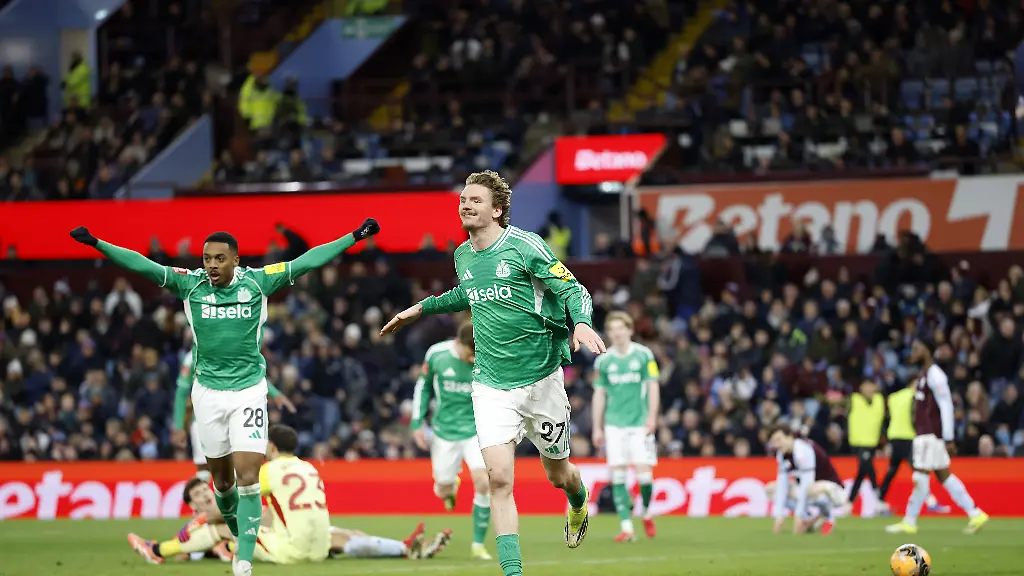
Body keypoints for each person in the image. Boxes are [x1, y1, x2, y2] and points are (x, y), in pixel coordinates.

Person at [70, 218, 380, 576]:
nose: (211, 265)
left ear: (235, 260)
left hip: (249, 391)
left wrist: (354, 238)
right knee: (222, 483)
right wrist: (98, 243)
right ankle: (237, 534)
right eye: (206, 259)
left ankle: (243, 559)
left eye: (219, 259)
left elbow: (309, 260)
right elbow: (143, 265)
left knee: (248, 474)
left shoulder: (259, 281)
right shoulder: (190, 285)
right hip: (208, 394)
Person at [381, 170, 606, 576]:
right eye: (463, 200)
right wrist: (418, 309)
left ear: (497, 210)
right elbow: (465, 294)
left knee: (559, 474)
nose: (466, 205)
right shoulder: (462, 255)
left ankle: (577, 499)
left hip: (542, 381)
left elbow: (570, 288)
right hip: (490, 385)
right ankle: (512, 572)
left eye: (475, 200)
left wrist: (582, 323)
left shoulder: (525, 246)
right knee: (499, 480)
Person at [886, 340, 990, 535]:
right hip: (928, 435)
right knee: (944, 476)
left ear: (928, 350)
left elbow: (946, 405)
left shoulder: (935, 374)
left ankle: (910, 521)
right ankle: (975, 513)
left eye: (917, 348)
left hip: (930, 435)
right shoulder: (924, 375)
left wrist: (949, 437)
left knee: (920, 475)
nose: (913, 352)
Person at [411, 321, 492, 560]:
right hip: (444, 432)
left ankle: (478, 545)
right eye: (470, 354)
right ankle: (450, 487)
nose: (472, 359)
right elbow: (423, 387)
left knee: (483, 482)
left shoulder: (485, 357)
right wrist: (417, 423)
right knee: (442, 489)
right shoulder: (437, 354)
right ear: (459, 343)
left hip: (476, 430)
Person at [590, 311, 661, 542]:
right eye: (613, 329)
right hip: (614, 425)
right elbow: (599, 395)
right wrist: (597, 427)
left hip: (639, 424)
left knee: (645, 477)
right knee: (618, 476)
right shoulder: (603, 360)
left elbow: (652, 387)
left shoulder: (644, 355)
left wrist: (652, 417)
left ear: (630, 330)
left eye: (621, 328)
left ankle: (647, 512)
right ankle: (627, 527)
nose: (617, 333)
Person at [767, 426, 849, 535]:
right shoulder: (782, 455)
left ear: (790, 437)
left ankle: (829, 519)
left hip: (835, 492)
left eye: (779, 440)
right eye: (774, 442)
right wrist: (778, 515)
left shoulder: (803, 449)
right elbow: (782, 485)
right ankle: (808, 518)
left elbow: (807, 484)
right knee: (771, 489)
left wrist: (798, 516)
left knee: (810, 489)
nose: (777, 445)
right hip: (812, 492)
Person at [846, 379, 884, 504]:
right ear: (861, 387)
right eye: (866, 386)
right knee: (869, 468)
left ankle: (850, 500)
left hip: (873, 442)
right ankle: (878, 498)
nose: (868, 389)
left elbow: (883, 421)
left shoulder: (880, 400)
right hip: (858, 442)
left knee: (863, 471)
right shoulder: (853, 399)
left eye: (871, 386)